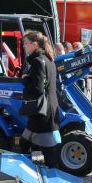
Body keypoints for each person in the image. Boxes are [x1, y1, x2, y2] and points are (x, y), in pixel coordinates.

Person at [19, 30, 61, 168]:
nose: (24, 46)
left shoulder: (37, 61)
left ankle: (51, 176)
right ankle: (26, 170)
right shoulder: (49, 60)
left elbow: (37, 88)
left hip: (42, 110)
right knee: (27, 141)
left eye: (26, 43)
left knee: (46, 147)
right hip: (48, 108)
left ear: (35, 44)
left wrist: (25, 79)